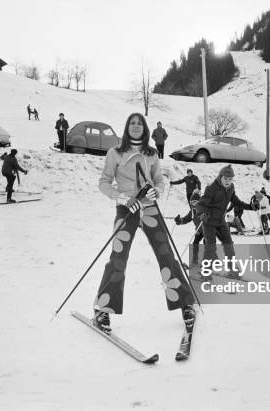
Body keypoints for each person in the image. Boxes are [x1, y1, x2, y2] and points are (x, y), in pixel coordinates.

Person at [95, 112, 195, 335]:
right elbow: (103, 182)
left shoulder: (151, 154)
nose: (136, 126)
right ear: (126, 127)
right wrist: (122, 198)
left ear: (145, 128)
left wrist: (156, 191)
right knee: (118, 257)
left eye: (140, 123)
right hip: (127, 208)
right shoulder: (115, 152)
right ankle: (102, 309)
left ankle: (185, 303)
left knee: (166, 254)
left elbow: (159, 179)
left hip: (149, 208)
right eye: (132, 123)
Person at [196, 165, 253, 277]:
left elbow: (237, 202)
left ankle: (232, 269)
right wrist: (202, 213)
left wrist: (251, 207)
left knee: (229, 245)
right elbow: (201, 204)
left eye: (230, 179)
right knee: (211, 247)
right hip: (209, 222)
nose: (228, 181)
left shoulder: (231, 188)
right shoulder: (212, 188)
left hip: (221, 222)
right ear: (220, 177)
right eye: (225, 178)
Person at [174, 190, 204, 261]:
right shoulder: (192, 212)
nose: (194, 204)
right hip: (199, 230)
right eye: (193, 202)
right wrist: (179, 221)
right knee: (195, 244)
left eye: (196, 202)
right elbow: (186, 219)